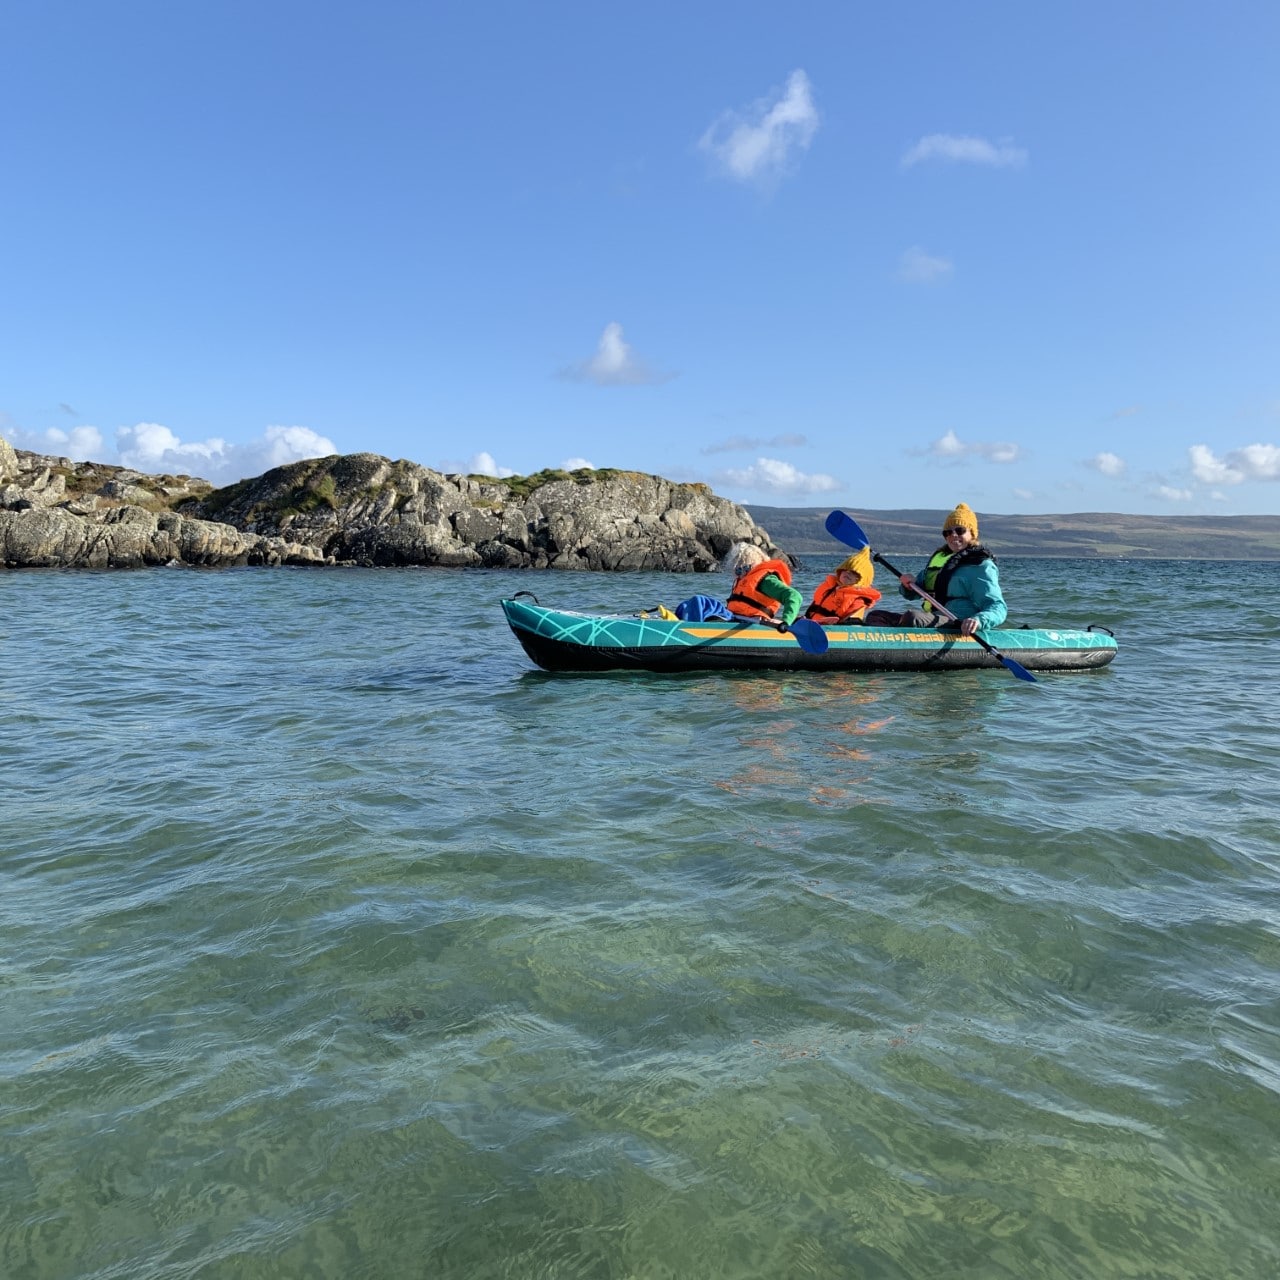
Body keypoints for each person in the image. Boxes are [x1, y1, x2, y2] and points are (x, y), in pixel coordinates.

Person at [864, 503, 1007, 635]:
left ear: (972, 533)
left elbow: (998, 607)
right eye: (948, 532)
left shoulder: (981, 566)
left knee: (913, 617)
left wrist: (978, 620)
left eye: (960, 530)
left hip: (960, 622)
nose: (953, 535)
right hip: (936, 618)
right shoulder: (943, 561)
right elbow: (912, 593)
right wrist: (908, 585)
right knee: (875, 615)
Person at [725, 543, 803, 629]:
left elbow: (794, 596)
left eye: (746, 568)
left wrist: (786, 621)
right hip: (736, 619)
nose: (742, 574)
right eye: (738, 571)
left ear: (756, 565)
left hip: (756, 623)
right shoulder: (741, 581)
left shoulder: (766, 580)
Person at [804, 547, 882, 624]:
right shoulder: (830, 586)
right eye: (845, 570)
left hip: (832, 629)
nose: (847, 572)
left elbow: (850, 621)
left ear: (863, 580)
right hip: (811, 623)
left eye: (854, 572)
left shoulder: (860, 599)